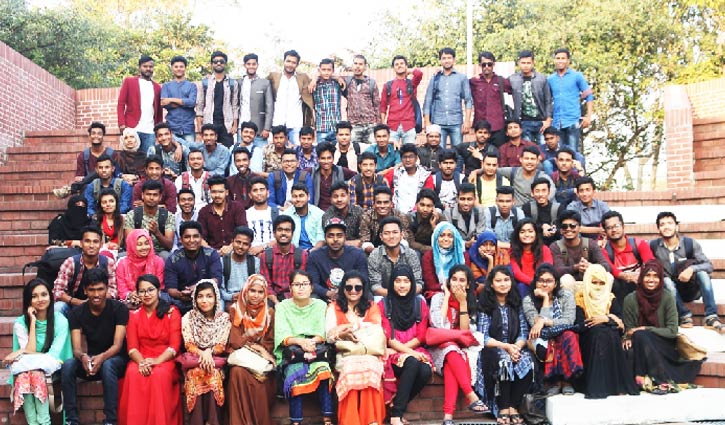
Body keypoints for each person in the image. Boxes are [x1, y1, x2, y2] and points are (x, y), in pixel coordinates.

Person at [61, 268, 129, 425]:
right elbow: (76, 348)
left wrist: (102, 358)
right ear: (85, 290)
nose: (96, 294)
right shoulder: (76, 313)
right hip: (92, 361)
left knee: (108, 365)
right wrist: (83, 357)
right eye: (91, 290)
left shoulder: (119, 309)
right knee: (68, 365)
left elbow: (117, 345)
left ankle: (110, 421)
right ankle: (71, 420)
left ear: (107, 289)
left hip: (116, 360)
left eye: (100, 289)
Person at [623, 260, 703, 391]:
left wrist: (646, 329)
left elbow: (672, 331)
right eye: (648, 276)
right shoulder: (630, 299)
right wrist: (627, 337)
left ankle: (651, 378)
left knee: (641, 334)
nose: (651, 280)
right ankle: (647, 379)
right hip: (639, 342)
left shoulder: (667, 297)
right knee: (631, 345)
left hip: (664, 343)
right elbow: (629, 328)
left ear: (660, 279)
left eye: (655, 276)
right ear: (641, 277)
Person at [2, 279, 71, 424]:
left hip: (54, 369)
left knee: (32, 372)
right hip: (30, 371)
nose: (40, 299)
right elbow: (31, 351)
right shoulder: (21, 323)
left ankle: (44, 422)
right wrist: (32, 321)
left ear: (50, 296)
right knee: (26, 374)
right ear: (28, 300)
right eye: (34, 296)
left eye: (44, 294)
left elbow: (52, 356)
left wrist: (22, 352)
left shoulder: (60, 321)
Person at [118, 274, 182, 425]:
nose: (146, 294)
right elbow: (132, 348)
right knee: (132, 373)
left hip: (165, 359)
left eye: (150, 290)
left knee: (158, 375)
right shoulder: (133, 315)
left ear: (159, 291)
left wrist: (156, 361)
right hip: (141, 358)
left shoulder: (172, 313)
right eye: (142, 291)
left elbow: (174, 346)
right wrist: (142, 362)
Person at [429, 265, 488, 424]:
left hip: (458, 349)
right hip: (438, 346)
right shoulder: (438, 298)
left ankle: (448, 417)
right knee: (451, 349)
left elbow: (465, 331)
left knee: (452, 360)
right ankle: (471, 395)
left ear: (468, 285)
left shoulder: (471, 301)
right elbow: (438, 325)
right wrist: (447, 297)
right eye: (454, 279)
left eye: (462, 280)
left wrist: (462, 303)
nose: (457, 283)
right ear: (448, 281)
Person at [274, 270, 334, 425]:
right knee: (295, 373)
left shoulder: (320, 305)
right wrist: (300, 342)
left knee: (323, 370)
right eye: (297, 284)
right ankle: (296, 421)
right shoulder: (283, 307)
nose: (301, 288)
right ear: (290, 287)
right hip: (293, 351)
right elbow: (281, 335)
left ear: (312, 287)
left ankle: (327, 419)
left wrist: (311, 342)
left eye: (305, 284)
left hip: (316, 349)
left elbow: (323, 332)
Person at [325, 271, 386, 425]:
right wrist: (346, 332)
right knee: (350, 369)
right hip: (345, 353)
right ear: (343, 289)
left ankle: (371, 420)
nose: (353, 291)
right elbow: (329, 335)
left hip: (369, 352)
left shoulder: (371, 306)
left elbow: (377, 331)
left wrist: (344, 328)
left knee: (370, 367)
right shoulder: (334, 307)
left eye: (358, 287)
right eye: (349, 287)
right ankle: (350, 421)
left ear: (363, 289)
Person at [476, 266, 533, 424]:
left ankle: (513, 406)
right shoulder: (485, 305)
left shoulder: (516, 304)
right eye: (498, 280)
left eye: (506, 280)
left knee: (527, 361)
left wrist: (516, 348)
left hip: (514, 347)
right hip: (492, 349)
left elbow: (523, 332)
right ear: (491, 284)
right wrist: (506, 347)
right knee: (504, 362)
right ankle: (503, 407)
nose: (503, 284)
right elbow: (483, 337)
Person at [378, 264, 432, 425]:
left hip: (413, 347)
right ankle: (396, 416)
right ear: (391, 283)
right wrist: (411, 353)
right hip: (392, 351)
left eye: (406, 281)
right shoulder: (383, 304)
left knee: (425, 370)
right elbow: (389, 338)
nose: (402, 285)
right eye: (398, 281)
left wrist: (409, 351)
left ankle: (397, 405)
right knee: (412, 362)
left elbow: (421, 335)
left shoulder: (419, 304)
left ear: (412, 283)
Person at [650, 211, 721, 331]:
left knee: (703, 274)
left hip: (691, 288)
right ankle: (684, 316)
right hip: (669, 291)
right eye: (662, 224)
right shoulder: (654, 246)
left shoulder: (689, 243)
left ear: (676, 227)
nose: (666, 227)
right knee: (665, 280)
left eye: (670, 223)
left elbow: (708, 265)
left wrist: (691, 269)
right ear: (658, 229)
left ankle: (711, 316)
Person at [575, 264, 638, 398]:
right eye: (594, 282)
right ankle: (597, 387)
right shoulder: (580, 298)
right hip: (588, 339)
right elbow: (580, 325)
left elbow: (621, 323)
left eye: (602, 283)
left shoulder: (610, 298)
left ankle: (615, 386)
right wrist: (608, 320)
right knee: (599, 332)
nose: (598, 286)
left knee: (609, 333)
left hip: (608, 333)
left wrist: (606, 319)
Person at [522, 264, 583, 396]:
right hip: (541, 337)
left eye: (549, 281)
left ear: (555, 284)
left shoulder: (565, 296)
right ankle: (554, 381)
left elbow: (568, 320)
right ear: (535, 282)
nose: (544, 284)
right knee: (548, 340)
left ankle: (566, 380)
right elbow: (536, 325)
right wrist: (545, 299)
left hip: (563, 332)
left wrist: (545, 321)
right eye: (541, 280)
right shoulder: (528, 300)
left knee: (568, 335)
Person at [226, 274, 277, 425]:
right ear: (245, 291)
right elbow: (235, 341)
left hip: (260, 363)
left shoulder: (269, 313)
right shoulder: (235, 310)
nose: (256, 295)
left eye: (260, 292)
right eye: (252, 291)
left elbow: (269, 343)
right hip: (241, 360)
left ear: (265, 294)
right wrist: (256, 347)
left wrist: (260, 349)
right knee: (237, 372)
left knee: (258, 379)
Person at [181, 280, 231, 425]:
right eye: (200, 296)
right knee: (195, 374)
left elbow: (221, 346)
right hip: (194, 361)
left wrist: (209, 352)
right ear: (195, 299)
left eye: (209, 296)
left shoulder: (224, 318)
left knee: (212, 374)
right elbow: (189, 344)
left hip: (216, 362)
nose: (204, 300)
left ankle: (212, 421)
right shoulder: (188, 317)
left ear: (216, 298)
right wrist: (203, 354)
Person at [53, 226, 117, 316]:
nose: (91, 246)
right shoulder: (71, 262)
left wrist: (94, 301)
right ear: (81, 243)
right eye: (87, 241)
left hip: (100, 304)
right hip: (74, 305)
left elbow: (113, 291)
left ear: (101, 244)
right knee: (58, 307)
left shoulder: (108, 263)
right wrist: (77, 302)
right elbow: (57, 291)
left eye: (95, 242)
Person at [164, 221, 223, 314]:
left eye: (195, 236)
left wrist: (197, 287)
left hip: (207, 298)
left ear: (201, 238)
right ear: (180, 239)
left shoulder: (212, 255)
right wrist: (181, 295)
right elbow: (171, 289)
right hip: (182, 301)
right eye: (187, 237)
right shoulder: (173, 259)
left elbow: (217, 279)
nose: (192, 240)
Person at [307, 218, 369, 302]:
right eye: (331, 236)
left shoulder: (358, 254)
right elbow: (313, 284)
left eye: (339, 235)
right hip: (325, 297)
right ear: (325, 237)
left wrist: (345, 293)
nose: (335, 239)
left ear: (345, 237)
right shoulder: (315, 256)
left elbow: (364, 280)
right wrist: (328, 293)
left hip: (351, 294)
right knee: (312, 297)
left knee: (368, 296)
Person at [423, 47, 473, 148]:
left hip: (456, 122)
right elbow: (427, 101)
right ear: (440, 60)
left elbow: (468, 100)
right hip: (438, 122)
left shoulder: (461, 78)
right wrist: (427, 122)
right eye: (444, 58)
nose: (447, 60)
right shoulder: (435, 78)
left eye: (449, 58)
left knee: (458, 152)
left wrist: (467, 121)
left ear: (454, 59)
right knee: (438, 152)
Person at [601, 210, 655, 303]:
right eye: (609, 228)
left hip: (640, 281)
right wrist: (628, 277)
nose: (614, 230)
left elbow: (651, 264)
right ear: (605, 232)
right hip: (620, 288)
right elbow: (612, 270)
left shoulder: (638, 243)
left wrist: (641, 276)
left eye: (616, 226)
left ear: (623, 226)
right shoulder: (604, 250)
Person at [550, 210, 611, 290]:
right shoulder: (555, 246)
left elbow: (606, 266)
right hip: (570, 284)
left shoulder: (590, 243)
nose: (568, 229)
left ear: (579, 228)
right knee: (565, 279)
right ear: (561, 230)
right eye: (564, 226)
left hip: (591, 282)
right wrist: (576, 267)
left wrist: (591, 267)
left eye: (572, 226)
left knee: (608, 276)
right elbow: (558, 270)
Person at [548, 48, 594, 153]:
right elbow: (547, 100)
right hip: (557, 123)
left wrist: (588, 117)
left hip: (573, 120)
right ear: (554, 60)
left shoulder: (577, 76)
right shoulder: (550, 79)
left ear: (568, 60)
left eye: (563, 58)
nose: (560, 61)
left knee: (573, 154)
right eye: (558, 58)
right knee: (559, 155)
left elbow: (589, 95)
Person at [368, 216, 424, 297]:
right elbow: (375, 286)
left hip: (408, 295)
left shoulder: (411, 254)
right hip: (385, 296)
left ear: (401, 235)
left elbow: (418, 283)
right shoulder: (375, 255)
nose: (391, 236)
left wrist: (405, 295)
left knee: (420, 298)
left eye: (395, 232)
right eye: (387, 233)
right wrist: (396, 296)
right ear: (381, 236)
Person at [268, 50, 314, 145]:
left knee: (296, 150)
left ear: (297, 64)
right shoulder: (274, 77)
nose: (290, 64)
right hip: (277, 121)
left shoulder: (303, 78)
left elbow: (320, 77)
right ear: (284, 61)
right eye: (288, 61)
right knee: (276, 150)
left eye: (293, 62)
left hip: (296, 123)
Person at [117, 55, 162, 153]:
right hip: (132, 128)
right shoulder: (129, 82)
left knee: (149, 159)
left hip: (150, 131)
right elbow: (121, 104)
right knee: (131, 158)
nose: (148, 69)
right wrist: (121, 124)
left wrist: (158, 129)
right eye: (145, 66)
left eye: (150, 67)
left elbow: (159, 111)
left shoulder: (157, 87)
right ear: (139, 67)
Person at [259, 215, 309, 304]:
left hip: (295, 296)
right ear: (274, 233)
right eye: (280, 230)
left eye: (287, 230)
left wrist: (290, 303)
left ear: (292, 233)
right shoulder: (266, 255)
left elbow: (301, 283)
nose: (283, 233)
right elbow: (266, 284)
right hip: (273, 297)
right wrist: (276, 302)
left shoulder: (301, 255)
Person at [509, 50, 553, 145]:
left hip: (541, 121)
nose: (526, 66)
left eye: (528, 63)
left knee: (543, 148)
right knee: (527, 149)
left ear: (533, 63)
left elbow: (548, 100)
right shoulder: (512, 79)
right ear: (518, 63)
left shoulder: (541, 78)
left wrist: (548, 120)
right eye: (523, 63)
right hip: (523, 121)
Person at [196, 51, 239, 148]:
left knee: (227, 151)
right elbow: (199, 105)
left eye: (221, 61)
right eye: (215, 61)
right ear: (212, 64)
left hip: (226, 124)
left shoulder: (232, 83)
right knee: (209, 151)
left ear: (225, 64)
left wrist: (235, 125)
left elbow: (234, 105)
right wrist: (199, 127)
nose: (218, 63)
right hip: (209, 122)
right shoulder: (204, 83)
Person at [124, 179, 176, 258]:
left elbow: (169, 245)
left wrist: (157, 233)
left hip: (158, 252)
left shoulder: (168, 216)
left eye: (155, 195)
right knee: (122, 256)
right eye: (148, 194)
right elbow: (129, 242)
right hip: (137, 251)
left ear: (160, 197)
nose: (151, 198)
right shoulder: (132, 215)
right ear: (142, 195)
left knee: (166, 256)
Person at [469, 52, 512, 147]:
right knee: (481, 152)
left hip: (498, 125)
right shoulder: (474, 82)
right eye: (484, 64)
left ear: (494, 64)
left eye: (489, 64)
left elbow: (515, 90)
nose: (487, 67)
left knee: (499, 153)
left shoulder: (501, 81)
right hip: (481, 126)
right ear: (480, 65)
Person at [197, 176, 247, 255]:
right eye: (213, 192)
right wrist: (213, 252)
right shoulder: (204, 212)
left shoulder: (237, 207)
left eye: (220, 192)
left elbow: (243, 231)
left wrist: (230, 247)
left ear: (226, 192)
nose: (217, 195)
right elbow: (200, 237)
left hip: (235, 251)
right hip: (212, 254)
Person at [380, 55, 423, 147]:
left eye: (402, 63)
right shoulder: (388, 85)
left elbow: (419, 74)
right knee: (391, 152)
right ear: (393, 68)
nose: (399, 66)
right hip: (392, 125)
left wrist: (409, 71)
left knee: (409, 152)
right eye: (396, 64)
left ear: (406, 66)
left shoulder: (411, 83)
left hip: (409, 125)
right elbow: (383, 106)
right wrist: (383, 124)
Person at [116, 229, 165, 308]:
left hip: (153, 299)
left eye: (146, 243)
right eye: (139, 244)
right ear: (132, 245)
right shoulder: (122, 264)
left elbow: (159, 285)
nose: (144, 247)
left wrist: (144, 295)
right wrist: (131, 295)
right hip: (130, 301)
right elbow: (122, 289)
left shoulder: (158, 261)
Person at [422, 221, 470, 301]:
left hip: (461, 290)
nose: (446, 239)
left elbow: (468, 279)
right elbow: (430, 285)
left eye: (450, 236)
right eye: (442, 235)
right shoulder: (428, 256)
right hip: (439, 292)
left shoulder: (463, 256)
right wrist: (449, 287)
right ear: (436, 237)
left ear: (454, 238)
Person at [360, 186, 413, 254]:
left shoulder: (400, 216)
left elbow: (405, 239)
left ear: (391, 204)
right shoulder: (367, 217)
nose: (382, 206)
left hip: (396, 250)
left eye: (386, 202)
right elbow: (365, 241)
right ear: (373, 204)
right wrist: (379, 253)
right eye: (379, 202)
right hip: (374, 251)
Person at [384, 143, 433, 214]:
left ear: (416, 158)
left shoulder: (425, 175)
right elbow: (382, 183)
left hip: (418, 214)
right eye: (405, 157)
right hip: (396, 213)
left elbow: (429, 197)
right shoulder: (395, 173)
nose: (408, 160)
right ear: (401, 159)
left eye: (411, 157)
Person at [343, 54, 381, 145]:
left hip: (370, 125)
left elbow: (377, 105)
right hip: (354, 125)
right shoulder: (347, 82)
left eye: (360, 64)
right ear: (352, 66)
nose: (357, 66)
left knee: (372, 150)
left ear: (365, 67)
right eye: (355, 63)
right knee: (354, 150)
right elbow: (331, 76)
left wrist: (378, 125)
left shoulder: (371, 83)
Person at [220, 226, 261, 310]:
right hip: (229, 300)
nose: (241, 246)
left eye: (245, 244)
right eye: (238, 242)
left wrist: (247, 296)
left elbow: (258, 287)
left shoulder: (255, 262)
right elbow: (220, 289)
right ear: (232, 242)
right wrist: (231, 297)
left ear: (250, 246)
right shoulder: (223, 262)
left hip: (249, 300)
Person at [238, 53, 274, 148]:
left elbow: (269, 107)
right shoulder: (239, 82)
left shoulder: (265, 83)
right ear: (244, 65)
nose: (251, 66)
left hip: (259, 129)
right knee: (241, 154)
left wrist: (267, 128)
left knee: (261, 154)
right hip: (241, 127)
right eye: (248, 64)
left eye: (254, 64)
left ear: (257, 65)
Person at [510, 218, 553, 297]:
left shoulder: (544, 249)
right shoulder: (512, 251)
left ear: (536, 233)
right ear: (517, 234)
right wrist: (534, 284)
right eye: (522, 232)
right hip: (524, 285)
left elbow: (548, 269)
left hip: (543, 283)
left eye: (530, 231)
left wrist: (539, 284)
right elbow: (517, 273)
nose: (527, 235)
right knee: (521, 286)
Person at [161, 55, 197, 143]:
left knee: (190, 150)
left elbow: (192, 102)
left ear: (185, 68)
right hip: (172, 127)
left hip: (188, 127)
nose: (179, 69)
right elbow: (164, 103)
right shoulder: (166, 86)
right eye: (176, 67)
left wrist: (171, 100)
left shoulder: (192, 86)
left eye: (181, 66)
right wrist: (184, 102)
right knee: (173, 151)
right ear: (172, 68)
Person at [312, 142, 357, 211]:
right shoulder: (312, 172)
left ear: (333, 158)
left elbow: (357, 177)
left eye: (329, 158)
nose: (326, 161)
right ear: (318, 159)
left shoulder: (341, 171)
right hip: (318, 211)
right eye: (323, 158)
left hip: (337, 211)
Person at [282, 183, 325, 251]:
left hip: (314, 251)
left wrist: (312, 252)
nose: (298, 199)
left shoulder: (319, 214)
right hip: (292, 252)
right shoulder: (286, 215)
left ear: (308, 197)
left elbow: (321, 238)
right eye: (295, 196)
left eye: (301, 196)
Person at [522, 177, 563, 246]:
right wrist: (542, 226)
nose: (540, 194)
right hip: (533, 243)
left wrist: (554, 230)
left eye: (544, 191)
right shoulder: (527, 207)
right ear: (532, 193)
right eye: (537, 191)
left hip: (555, 243)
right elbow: (526, 226)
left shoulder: (558, 208)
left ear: (549, 192)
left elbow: (562, 228)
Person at [322, 181, 365, 246]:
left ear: (349, 196)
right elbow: (330, 241)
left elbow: (364, 238)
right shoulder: (327, 216)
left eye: (343, 196)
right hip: (335, 249)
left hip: (358, 249)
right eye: (335, 196)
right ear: (330, 199)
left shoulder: (359, 211)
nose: (339, 199)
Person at [444, 182, 487, 248]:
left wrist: (474, 242)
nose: (466, 203)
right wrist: (465, 244)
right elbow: (448, 236)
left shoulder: (479, 212)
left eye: (469, 199)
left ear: (474, 199)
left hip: (475, 246)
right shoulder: (449, 213)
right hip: (455, 248)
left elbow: (480, 234)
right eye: (462, 199)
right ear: (457, 199)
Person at [482, 186, 525, 250]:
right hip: (493, 250)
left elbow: (523, 236)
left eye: (508, 201)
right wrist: (509, 246)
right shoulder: (489, 212)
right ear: (496, 201)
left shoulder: (519, 213)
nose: (504, 205)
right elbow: (487, 238)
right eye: (501, 201)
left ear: (513, 201)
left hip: (515, 250)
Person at [312, 58, 343, 143]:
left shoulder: (337, 84)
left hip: (336, 128)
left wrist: (338, 78)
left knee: (337, 151)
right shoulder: (314, 86)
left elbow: (345, 81)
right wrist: (315, 79)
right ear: (319, 70)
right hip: (322, 127)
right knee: (322, 150)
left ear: (333, 71)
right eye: (323, 69)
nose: (326, 72)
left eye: (329, 70)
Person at [407, 189, 445, 254]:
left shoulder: (440, 218)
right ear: (416, 204)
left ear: (434, 207)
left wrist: (434, 227)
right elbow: (410, 243)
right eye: (422, 205)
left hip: (436, 253)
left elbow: (445, 242)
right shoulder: (410, 218)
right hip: (418, 251)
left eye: (429, 206)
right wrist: (431, 249)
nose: (425, 209)